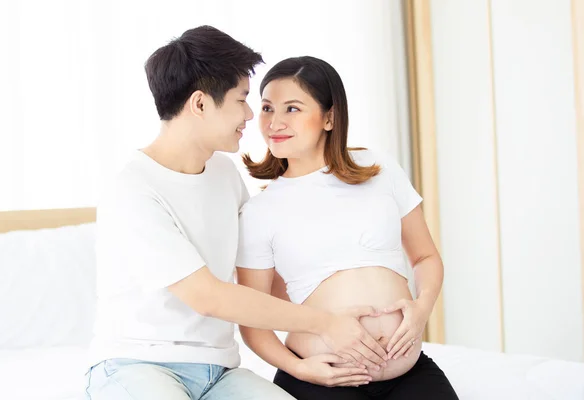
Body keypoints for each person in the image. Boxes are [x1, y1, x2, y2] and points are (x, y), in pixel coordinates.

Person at [84, 27, 389, 400]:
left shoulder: (224, 175)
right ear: (200, 104)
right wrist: (326, 324)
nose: (250, 115)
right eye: (242, 98)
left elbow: (264, 277)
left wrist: (359, 309)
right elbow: (209, 297)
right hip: (136, 365)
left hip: (221, 373)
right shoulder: (133, 189)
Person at [236, 56, 459, 399]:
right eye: (267, 108)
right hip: (321, 378)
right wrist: (299, 368)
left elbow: (426, 256)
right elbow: (252, 319)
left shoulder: (378, 166)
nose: (274, 122)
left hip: (407, 371)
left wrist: (421, 309)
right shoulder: (259, 211)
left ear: (330, 117)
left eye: (291, 109)